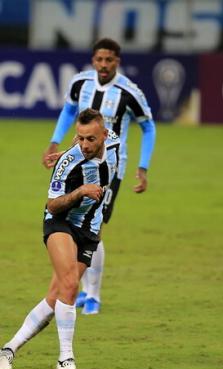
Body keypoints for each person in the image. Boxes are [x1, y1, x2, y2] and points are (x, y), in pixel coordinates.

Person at [0, 109, 119, 369]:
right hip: (60, 221)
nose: (84, 145)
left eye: (90, 139)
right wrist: (79, 191)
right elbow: (52, 206)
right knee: (70, 285)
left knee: (57, 297)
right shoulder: (69, 162)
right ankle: (66, 357)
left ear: (104, 135)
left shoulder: (114, 142)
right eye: (80, 138)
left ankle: (9, 348)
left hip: (89, 229)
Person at [42, 38, 156, 314]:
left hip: (110, 169)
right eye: (99, 59)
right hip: (78, 165)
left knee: (96, 225)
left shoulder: (129, 92)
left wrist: (142, 168)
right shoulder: (81, 83)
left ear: (118, 60)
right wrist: (56, 142)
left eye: (109, 60)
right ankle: (80, 289)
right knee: (74, 219)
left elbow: (148, 127)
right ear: (93, 60)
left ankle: (92, 294)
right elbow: (69, 110)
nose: (104, 65)